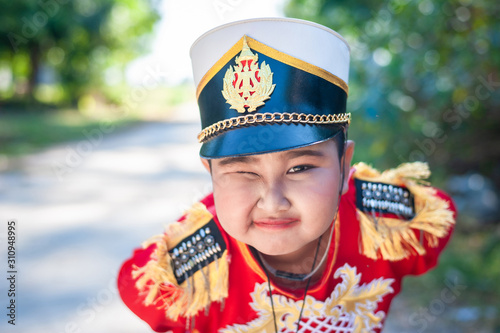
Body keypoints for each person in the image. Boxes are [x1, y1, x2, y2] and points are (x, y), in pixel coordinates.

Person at [117, 18, 456, 333]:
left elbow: (440, 212)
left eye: (300, 168)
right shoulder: (193, 278)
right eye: (241, 172)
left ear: (343, 166)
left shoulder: (386, 225)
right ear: (212, 176)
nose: (273, 201)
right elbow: (135, 286)